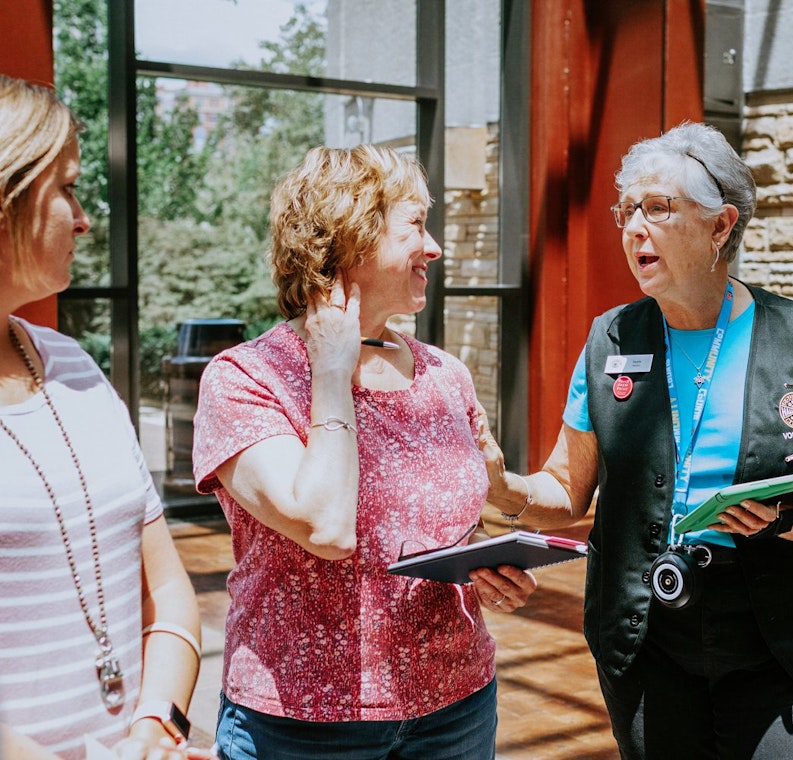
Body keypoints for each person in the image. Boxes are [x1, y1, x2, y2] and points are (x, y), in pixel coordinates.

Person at [480, 121, 793, 758]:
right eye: (627, 210)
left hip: (771, 631)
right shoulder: (611, 340)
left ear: (721, 226)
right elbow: (566, 487)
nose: (634, 227)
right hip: (646, 630)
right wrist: (504, 490)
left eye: (658, 208)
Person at [191, 144, 537, 759]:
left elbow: (445, 524)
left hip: (456, 704)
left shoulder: (445, 375)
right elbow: (324, 525)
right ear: (350, 237)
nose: (433, 248)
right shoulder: (247, 379)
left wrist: (482, 564)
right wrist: (331, 372)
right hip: (303, 722)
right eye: (415, 226)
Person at [0, 75, 207, 758]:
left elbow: (169, 590)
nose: (85, 218)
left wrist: (158, 725)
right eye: (66, 188)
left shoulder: (75, 368)